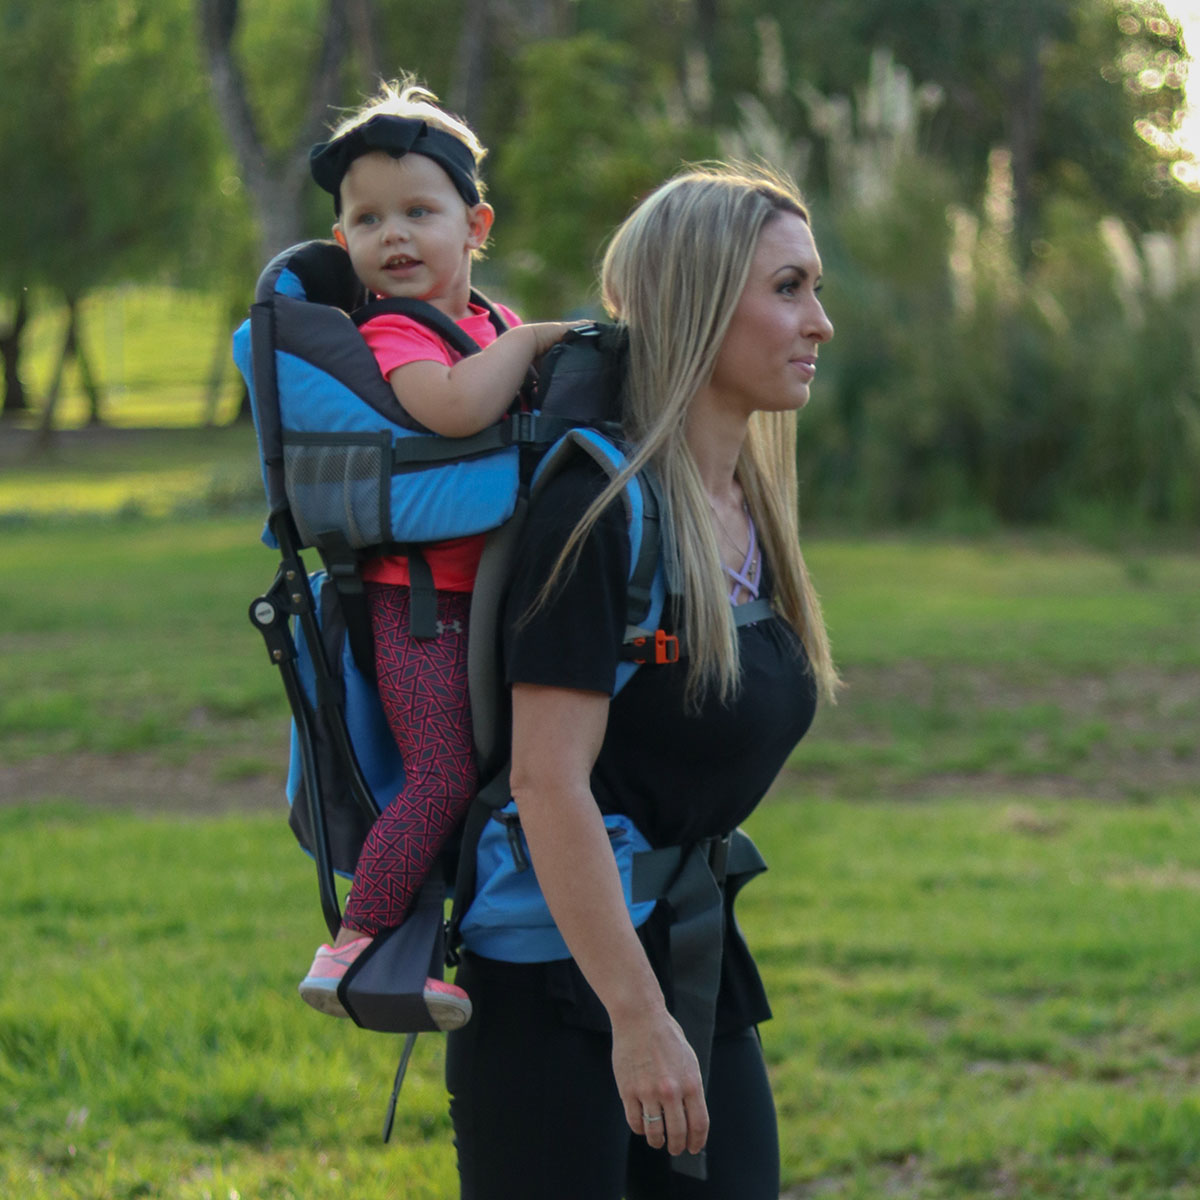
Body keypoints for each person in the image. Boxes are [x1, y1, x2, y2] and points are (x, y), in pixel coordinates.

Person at [445, 162, 838, 1198]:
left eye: (815, 288)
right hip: (558, 986)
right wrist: (635, 1015)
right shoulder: (599, 513)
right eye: (788, 288)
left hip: (690, 952)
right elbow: (547, 782)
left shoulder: (747, 506)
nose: (820, 322)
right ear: (698, 304)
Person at [296, 79, 580, 1028]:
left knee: (495, 775)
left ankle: (435, 947)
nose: (395, 236)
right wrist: (535, 343)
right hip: (417, 606)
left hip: (486, 601)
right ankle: (352, 944)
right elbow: (451, 408)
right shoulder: (391, 329)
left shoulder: (489, 325)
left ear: (476, 225)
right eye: (368, 219)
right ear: (344, 242)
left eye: (419, 211)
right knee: (441, 777)